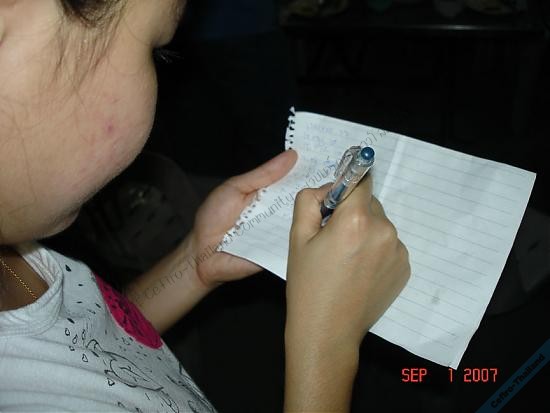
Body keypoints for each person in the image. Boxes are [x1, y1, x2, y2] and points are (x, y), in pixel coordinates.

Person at [0, 0, 410, 411]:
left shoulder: (13, 253)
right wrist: (327, 344)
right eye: (156, 49)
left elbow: (82, 347)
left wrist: (193, 263)